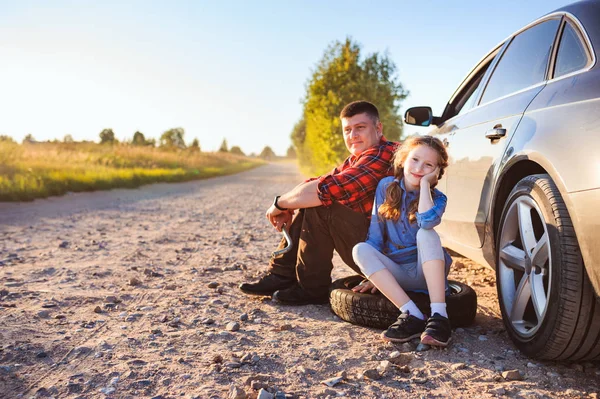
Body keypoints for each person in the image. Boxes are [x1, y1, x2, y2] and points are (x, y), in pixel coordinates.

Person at [239, 101, 398, 305]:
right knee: (312, 198)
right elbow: (317, 182)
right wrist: (290, 203)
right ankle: (282, 275)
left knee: (323, 203)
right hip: (374, 249)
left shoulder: (385, 153)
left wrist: (280, 204)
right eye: (347, 130)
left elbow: (328, 189)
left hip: (391, 258)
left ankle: (311, 288)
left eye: (360, 128)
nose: (353, 136)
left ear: (378, 128)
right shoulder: (356, 159)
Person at [351, 135, 452, 347]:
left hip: (428, 273)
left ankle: (439, 316)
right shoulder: (386, 186)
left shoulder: (439, 198)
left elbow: (426, 221)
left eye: (428, 165)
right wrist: (376, 276)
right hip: (399, 273)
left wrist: (425, 185)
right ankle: (412, 314)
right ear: (403, 159)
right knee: (360, 249)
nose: (419, 168)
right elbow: (375, 236)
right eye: (414, 160)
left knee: (426, 233)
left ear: (436, 171)